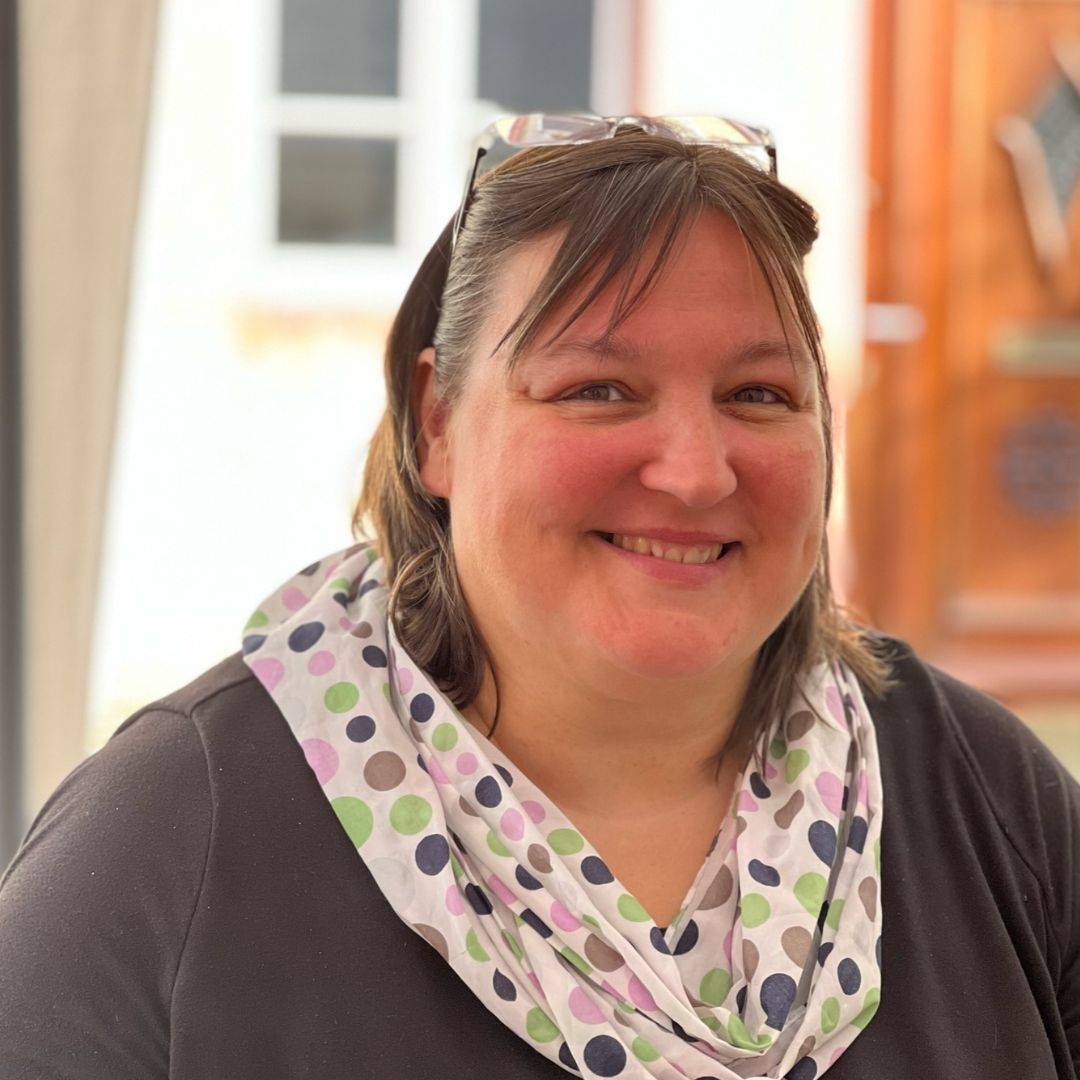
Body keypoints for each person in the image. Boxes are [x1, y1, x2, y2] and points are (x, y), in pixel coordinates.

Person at [1, 114, 1078, 1080]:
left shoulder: (990, 806)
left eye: (760, 393)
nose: (697, 472)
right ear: (437, 423)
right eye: (598, 389)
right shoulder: (171, 840)